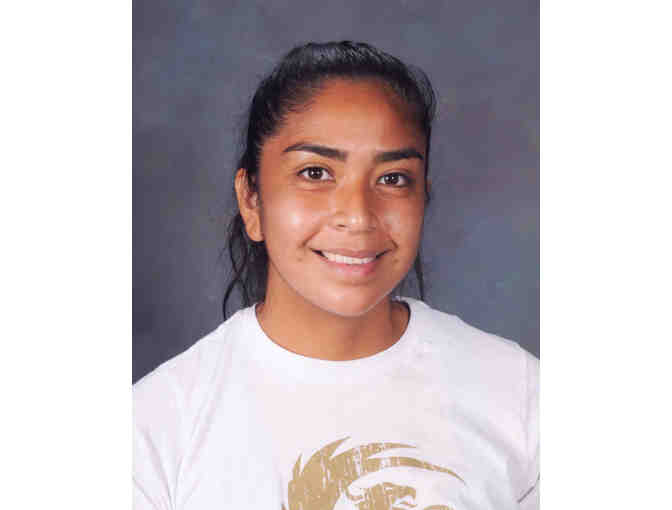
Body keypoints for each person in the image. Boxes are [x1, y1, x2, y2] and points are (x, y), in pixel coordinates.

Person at [133, 41, 539, 510]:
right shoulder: (155, 429)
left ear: (423, 198)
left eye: (393, 178)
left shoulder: (521, 397)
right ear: (251, 201)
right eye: (315, 173)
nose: (358, 216)